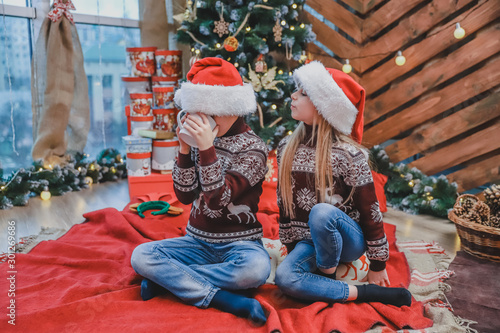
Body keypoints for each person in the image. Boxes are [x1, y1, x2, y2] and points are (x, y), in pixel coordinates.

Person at [131, 58, 271, 324]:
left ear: (233, 107)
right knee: (141, 255)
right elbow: (184, 196)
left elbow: (219, 200)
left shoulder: (254, 149)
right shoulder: (197, 142)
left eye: (212, 112)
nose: (205, 120)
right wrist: (185, 149)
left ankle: (170, 282)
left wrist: (207, 150)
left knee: (256, 270)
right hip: (196, 241)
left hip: (239, 245)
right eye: (198, 111)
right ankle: (224, 298)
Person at [274, 61, 412, 307]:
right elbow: (285, 204)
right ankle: (366, 294)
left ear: (325, 107)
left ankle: (326, 274)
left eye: (304, 93)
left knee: (322, 213)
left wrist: (378, 265)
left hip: (348, 240)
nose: (293, 95)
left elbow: (371, 212)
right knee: (284, 278)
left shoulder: (349, 155)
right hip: (309, 241)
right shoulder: (286, 148)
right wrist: (291, 247)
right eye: (297, 90)